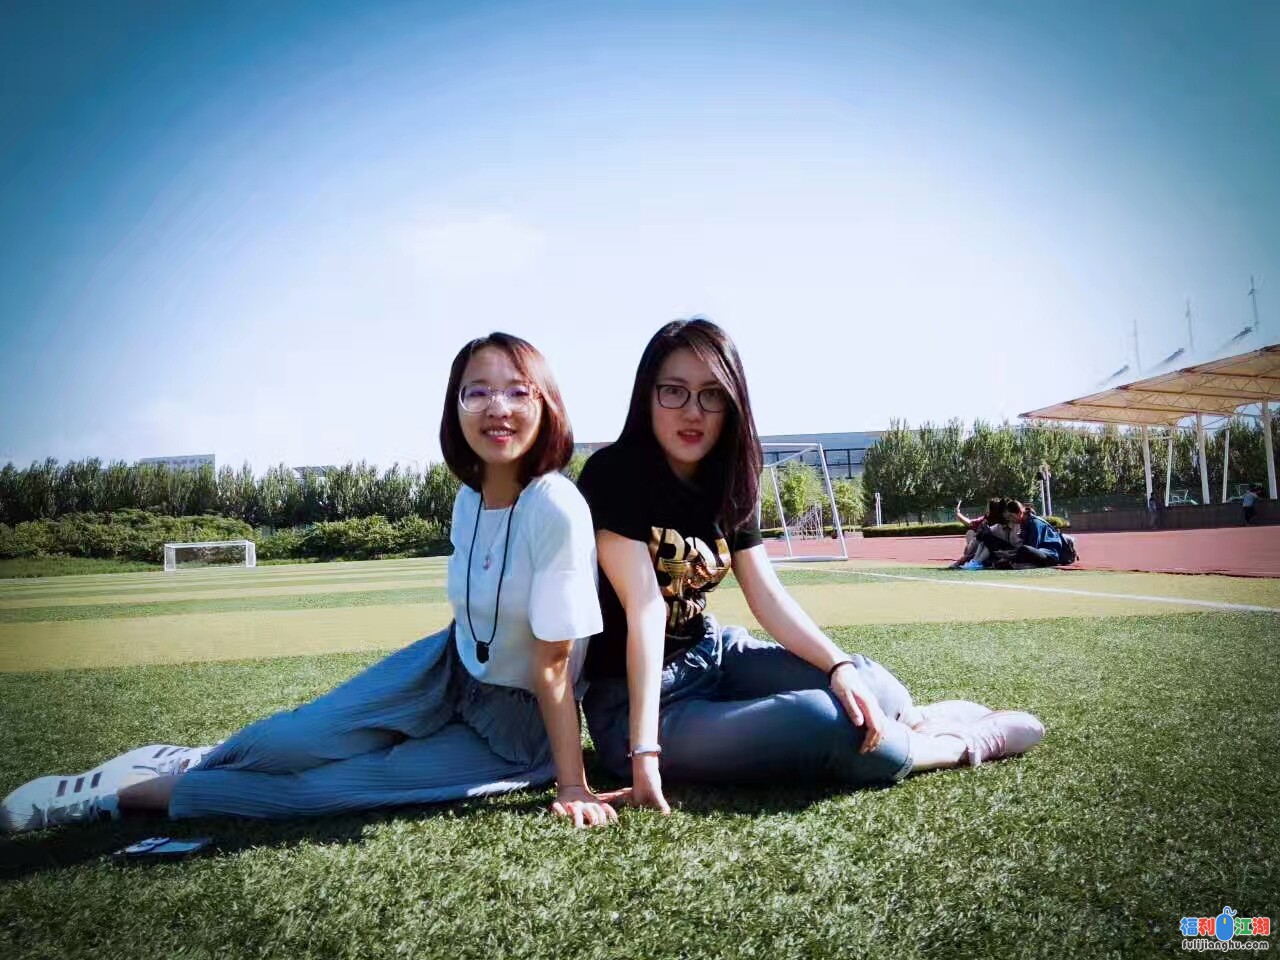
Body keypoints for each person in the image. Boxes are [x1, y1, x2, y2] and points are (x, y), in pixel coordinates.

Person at [3, 333, 619, 833]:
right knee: (287, 740)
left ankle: (107, 799)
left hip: (519, 725)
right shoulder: (467, 498)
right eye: (476, 391)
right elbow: (477, 613)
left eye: (517, 391)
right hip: (447, 665)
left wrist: (572, 783)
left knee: (316, 791)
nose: (497, 407)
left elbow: (554, 664)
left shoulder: (556, 506)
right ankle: (185, 759)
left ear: (546, 404)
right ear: (455, 409)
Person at [575, 319, 1044, 814]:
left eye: (712, 394)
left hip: (713, 654)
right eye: (674, 391)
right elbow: (646, 610)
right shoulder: (613, 475)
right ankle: (958, 746)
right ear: (647, 395)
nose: (693, 411)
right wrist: (644, 754)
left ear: (732, 403)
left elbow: (767, 595)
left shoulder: (729, 477)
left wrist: (838, 666)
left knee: (866, 683)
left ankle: (916, 718)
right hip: (640, 702)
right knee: (826, 721)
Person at [949, 497, 1011, 568]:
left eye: (988, 507)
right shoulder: (985, 519)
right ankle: (973, 561)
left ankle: (971, 561)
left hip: (996, 551)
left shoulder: (1002, 524)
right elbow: (971, 523)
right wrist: (958, 514)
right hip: (983, 548)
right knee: (972, 533)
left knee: (983, 539)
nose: (986, 509)